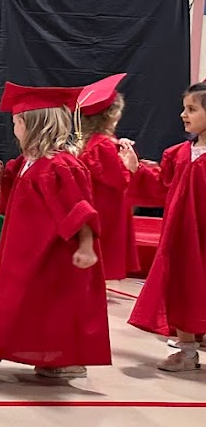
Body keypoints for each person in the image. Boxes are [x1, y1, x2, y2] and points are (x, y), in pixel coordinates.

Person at [0, 82, 110, 382]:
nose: (13, 129)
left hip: (49, 252)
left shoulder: (60, 166)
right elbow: (16, 205)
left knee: (20, 303)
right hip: (22, 249)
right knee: (37, 308)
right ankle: (57, 358)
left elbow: (80, 208)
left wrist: (86, 246)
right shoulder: (26, 162)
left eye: (16, 123)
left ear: (34, 125)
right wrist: (0, 184)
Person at [126, 81, 206, 372]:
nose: (184, 115)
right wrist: (137, 169)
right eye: (184, 108)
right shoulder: (177, 154)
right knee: (182, 288)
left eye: (192, 109)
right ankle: (186, 351)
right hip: (181, 237)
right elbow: (161, 186)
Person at [76, 74, 141, 281]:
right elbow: (119, 180)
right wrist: (130, 166)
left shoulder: (92, 142)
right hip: (106, 208)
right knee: (103, 249)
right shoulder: (103, 145)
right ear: (112, 115)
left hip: (96, 202)